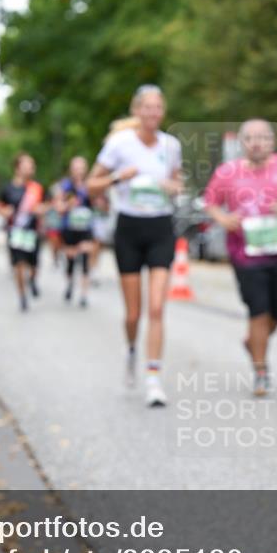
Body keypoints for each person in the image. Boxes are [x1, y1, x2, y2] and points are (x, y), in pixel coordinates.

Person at [203, 119, 277, 396]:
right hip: (245, 255)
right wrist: (224, 218)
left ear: (272, 141)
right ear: (242, 143)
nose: (256, 143)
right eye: (250, 138)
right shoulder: (227, 172)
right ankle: (261, 372)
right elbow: (210, 203)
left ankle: (254, 341)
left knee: (276, 312)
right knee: (258, 310)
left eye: (262, 137)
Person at [87, 85, 183, 406]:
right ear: (137, 110)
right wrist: (117, 178)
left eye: (158, 108)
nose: (153, 113)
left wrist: (171, 186)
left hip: (160, 227)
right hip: (128, 227)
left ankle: (153, 378)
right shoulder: (119, 144)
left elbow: (177, 182)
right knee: (134, 313)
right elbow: (90, 185)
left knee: (156, 308)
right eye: (148, 108)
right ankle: (131, 349)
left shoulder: (171, 145)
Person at [0, 153, 45, 311]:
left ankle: (32, 280)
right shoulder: (8, 188)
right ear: (18, 167)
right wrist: (6, 212)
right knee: (18, 265)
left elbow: (45, 206)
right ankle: (22, 297)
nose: (31, 168)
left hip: (32, 233)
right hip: (16, 232)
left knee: (33, 265)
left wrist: (40, 210)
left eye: (32, 165)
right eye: (28, 165)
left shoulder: (36, 188)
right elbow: (0, 208)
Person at [55, 156, 97, 307]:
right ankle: (70, 284)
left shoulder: (89, 185)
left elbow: (99, 203)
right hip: (70, 228)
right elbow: (58, 207)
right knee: (71, 260)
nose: (79, 171)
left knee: (85, 258)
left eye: (81, 167)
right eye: (76, 167)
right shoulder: (66, 186)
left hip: (86, 227)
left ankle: (84, 295)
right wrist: (67, 205)